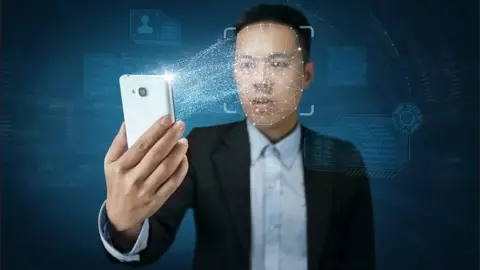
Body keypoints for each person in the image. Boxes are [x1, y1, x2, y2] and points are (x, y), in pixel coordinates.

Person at [99, 4, 375, 270]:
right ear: (234, 75)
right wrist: (124, 224)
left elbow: (359, 259)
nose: (261, 80)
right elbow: (155, 236)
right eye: (247, 65)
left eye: (278, 64)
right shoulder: (201, 146)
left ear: (306, 75)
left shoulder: (343, 158)